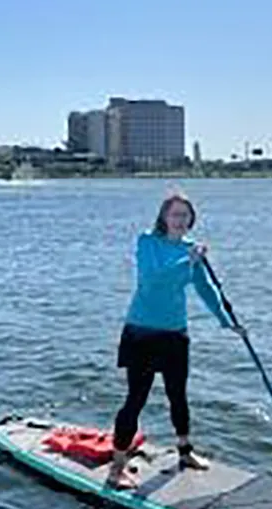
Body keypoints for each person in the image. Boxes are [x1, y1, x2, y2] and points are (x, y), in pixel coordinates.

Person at [106, 193, 245, 489]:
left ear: (191, 219)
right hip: (141, 332)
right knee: (136, 399)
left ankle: (185, 452)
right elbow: (151, 278)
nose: (180, 220)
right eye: (175, 214)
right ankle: (117, 469)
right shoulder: (147, 242)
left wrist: (228, 322)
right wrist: (188, 260)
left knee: (178, 395)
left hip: (175, 334)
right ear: (164, 217)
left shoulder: (191, 250)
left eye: (185, 215)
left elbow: (206, 290)